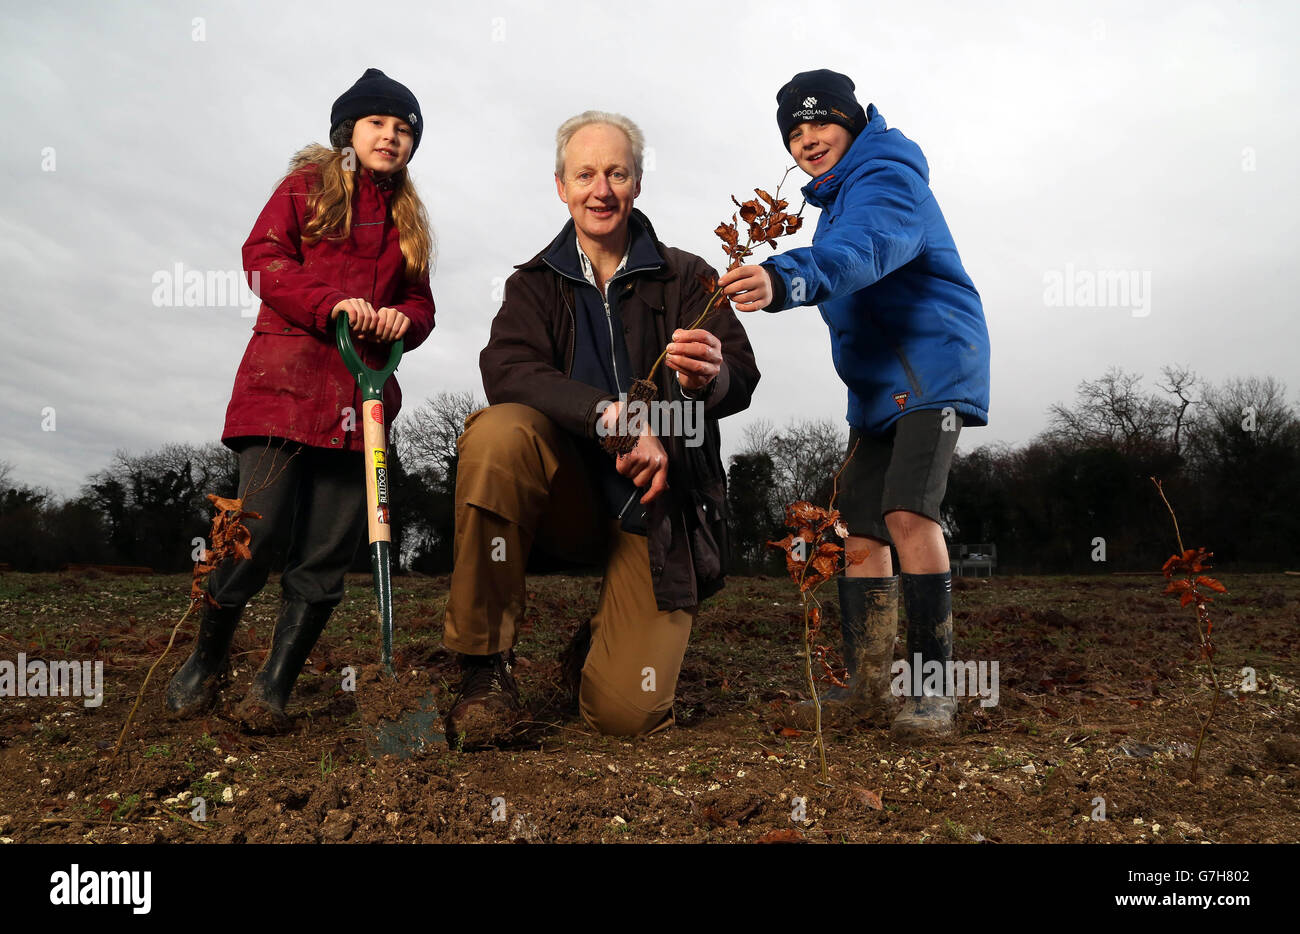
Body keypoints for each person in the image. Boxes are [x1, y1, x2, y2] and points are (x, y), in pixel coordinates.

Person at [441, 110, 759, 747]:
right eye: (584, 174)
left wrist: (707, 382)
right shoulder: (533, 286)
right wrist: (607, 416)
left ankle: (599, 641)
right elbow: (506, 370)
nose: (601, 189)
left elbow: (741, 379)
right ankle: (484, 669)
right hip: (565, 505)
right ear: (560, 186)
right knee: (498, 434)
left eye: (616, 172)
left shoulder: (690, 275)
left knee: (626, 714)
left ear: (638, 182)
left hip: (657, 515)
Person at [719, 69, 990, 738]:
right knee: (857, 533)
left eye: (820, 121)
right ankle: (868, 689)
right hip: (877, 389)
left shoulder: (887, 178)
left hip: (932, 372)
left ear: (851, 119)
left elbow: (864, 251)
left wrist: (786, 275)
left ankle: (933, 692)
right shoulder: (835, 201)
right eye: (794, 131)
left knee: (906, 512)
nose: (807, 139)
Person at [166, 68, 437, 731]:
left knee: (325, 556)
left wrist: (405, 319)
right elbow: (262, 258)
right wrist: (330, 306)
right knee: (251, 536)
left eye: (404, 130)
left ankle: (275, 684)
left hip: (361, 406)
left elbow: (420, 301)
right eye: (379, 123)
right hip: (282, 391)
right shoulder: (306, 188)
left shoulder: (407, 218)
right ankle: (208, 657)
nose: (392, 137)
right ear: (349, 130)